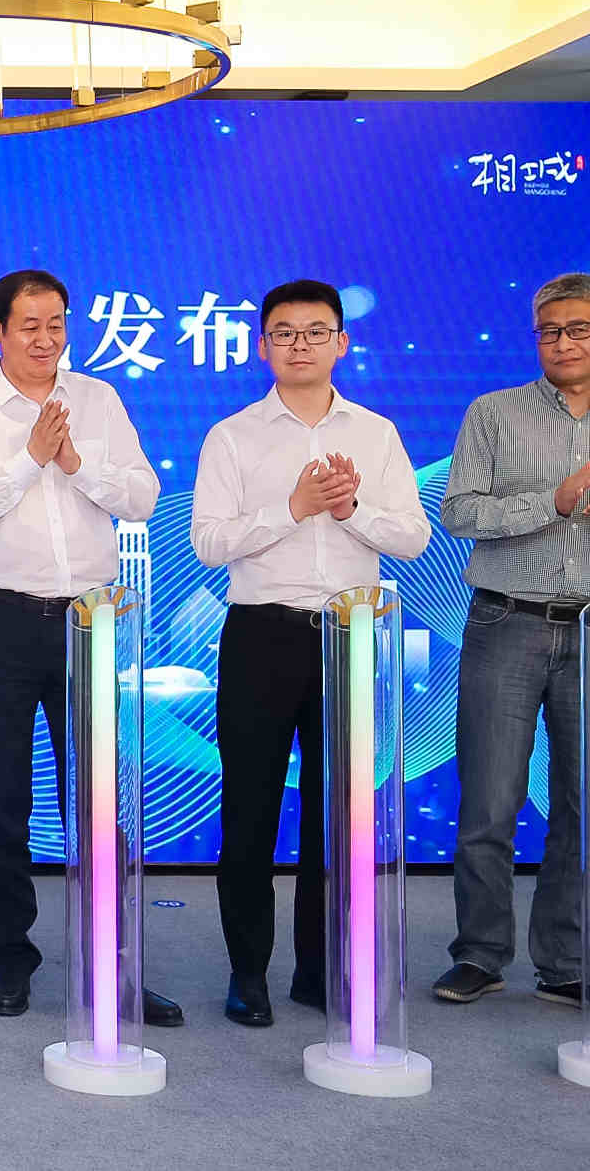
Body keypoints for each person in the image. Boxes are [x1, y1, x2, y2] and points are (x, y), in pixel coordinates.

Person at [0, 269, 181, 1025]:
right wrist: (29, 458)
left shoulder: (97, 400)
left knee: (99, 798)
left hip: (90, 619)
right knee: (1, 795)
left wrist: (75, 463)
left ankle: (113, 958)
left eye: (56, 324)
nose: (46, 339)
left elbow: (142, 497)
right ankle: (10, 953)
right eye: (29, 326)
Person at [434, 272, 590, 1007]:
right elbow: (458, 512)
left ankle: (566, 962)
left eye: (579, 329)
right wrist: (549, 503)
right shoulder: (493, 412)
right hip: (504, 620)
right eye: (549, 331)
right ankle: (479, 953)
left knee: (587, 806)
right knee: (490, 800)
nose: (562, 343)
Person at [190, 280, 429, 1028]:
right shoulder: (232, 436)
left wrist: (349, 509)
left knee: (337, 817)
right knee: (249, 811)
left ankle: (319, 970)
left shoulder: (376, 434)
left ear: (341, 343)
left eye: (315, 331)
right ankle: (247, 972)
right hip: (260, 634)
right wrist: (290, 510)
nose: (300, 345)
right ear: (263, 345)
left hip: (348, 636)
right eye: (285, 333)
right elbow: (208, 543)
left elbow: (413, 538)